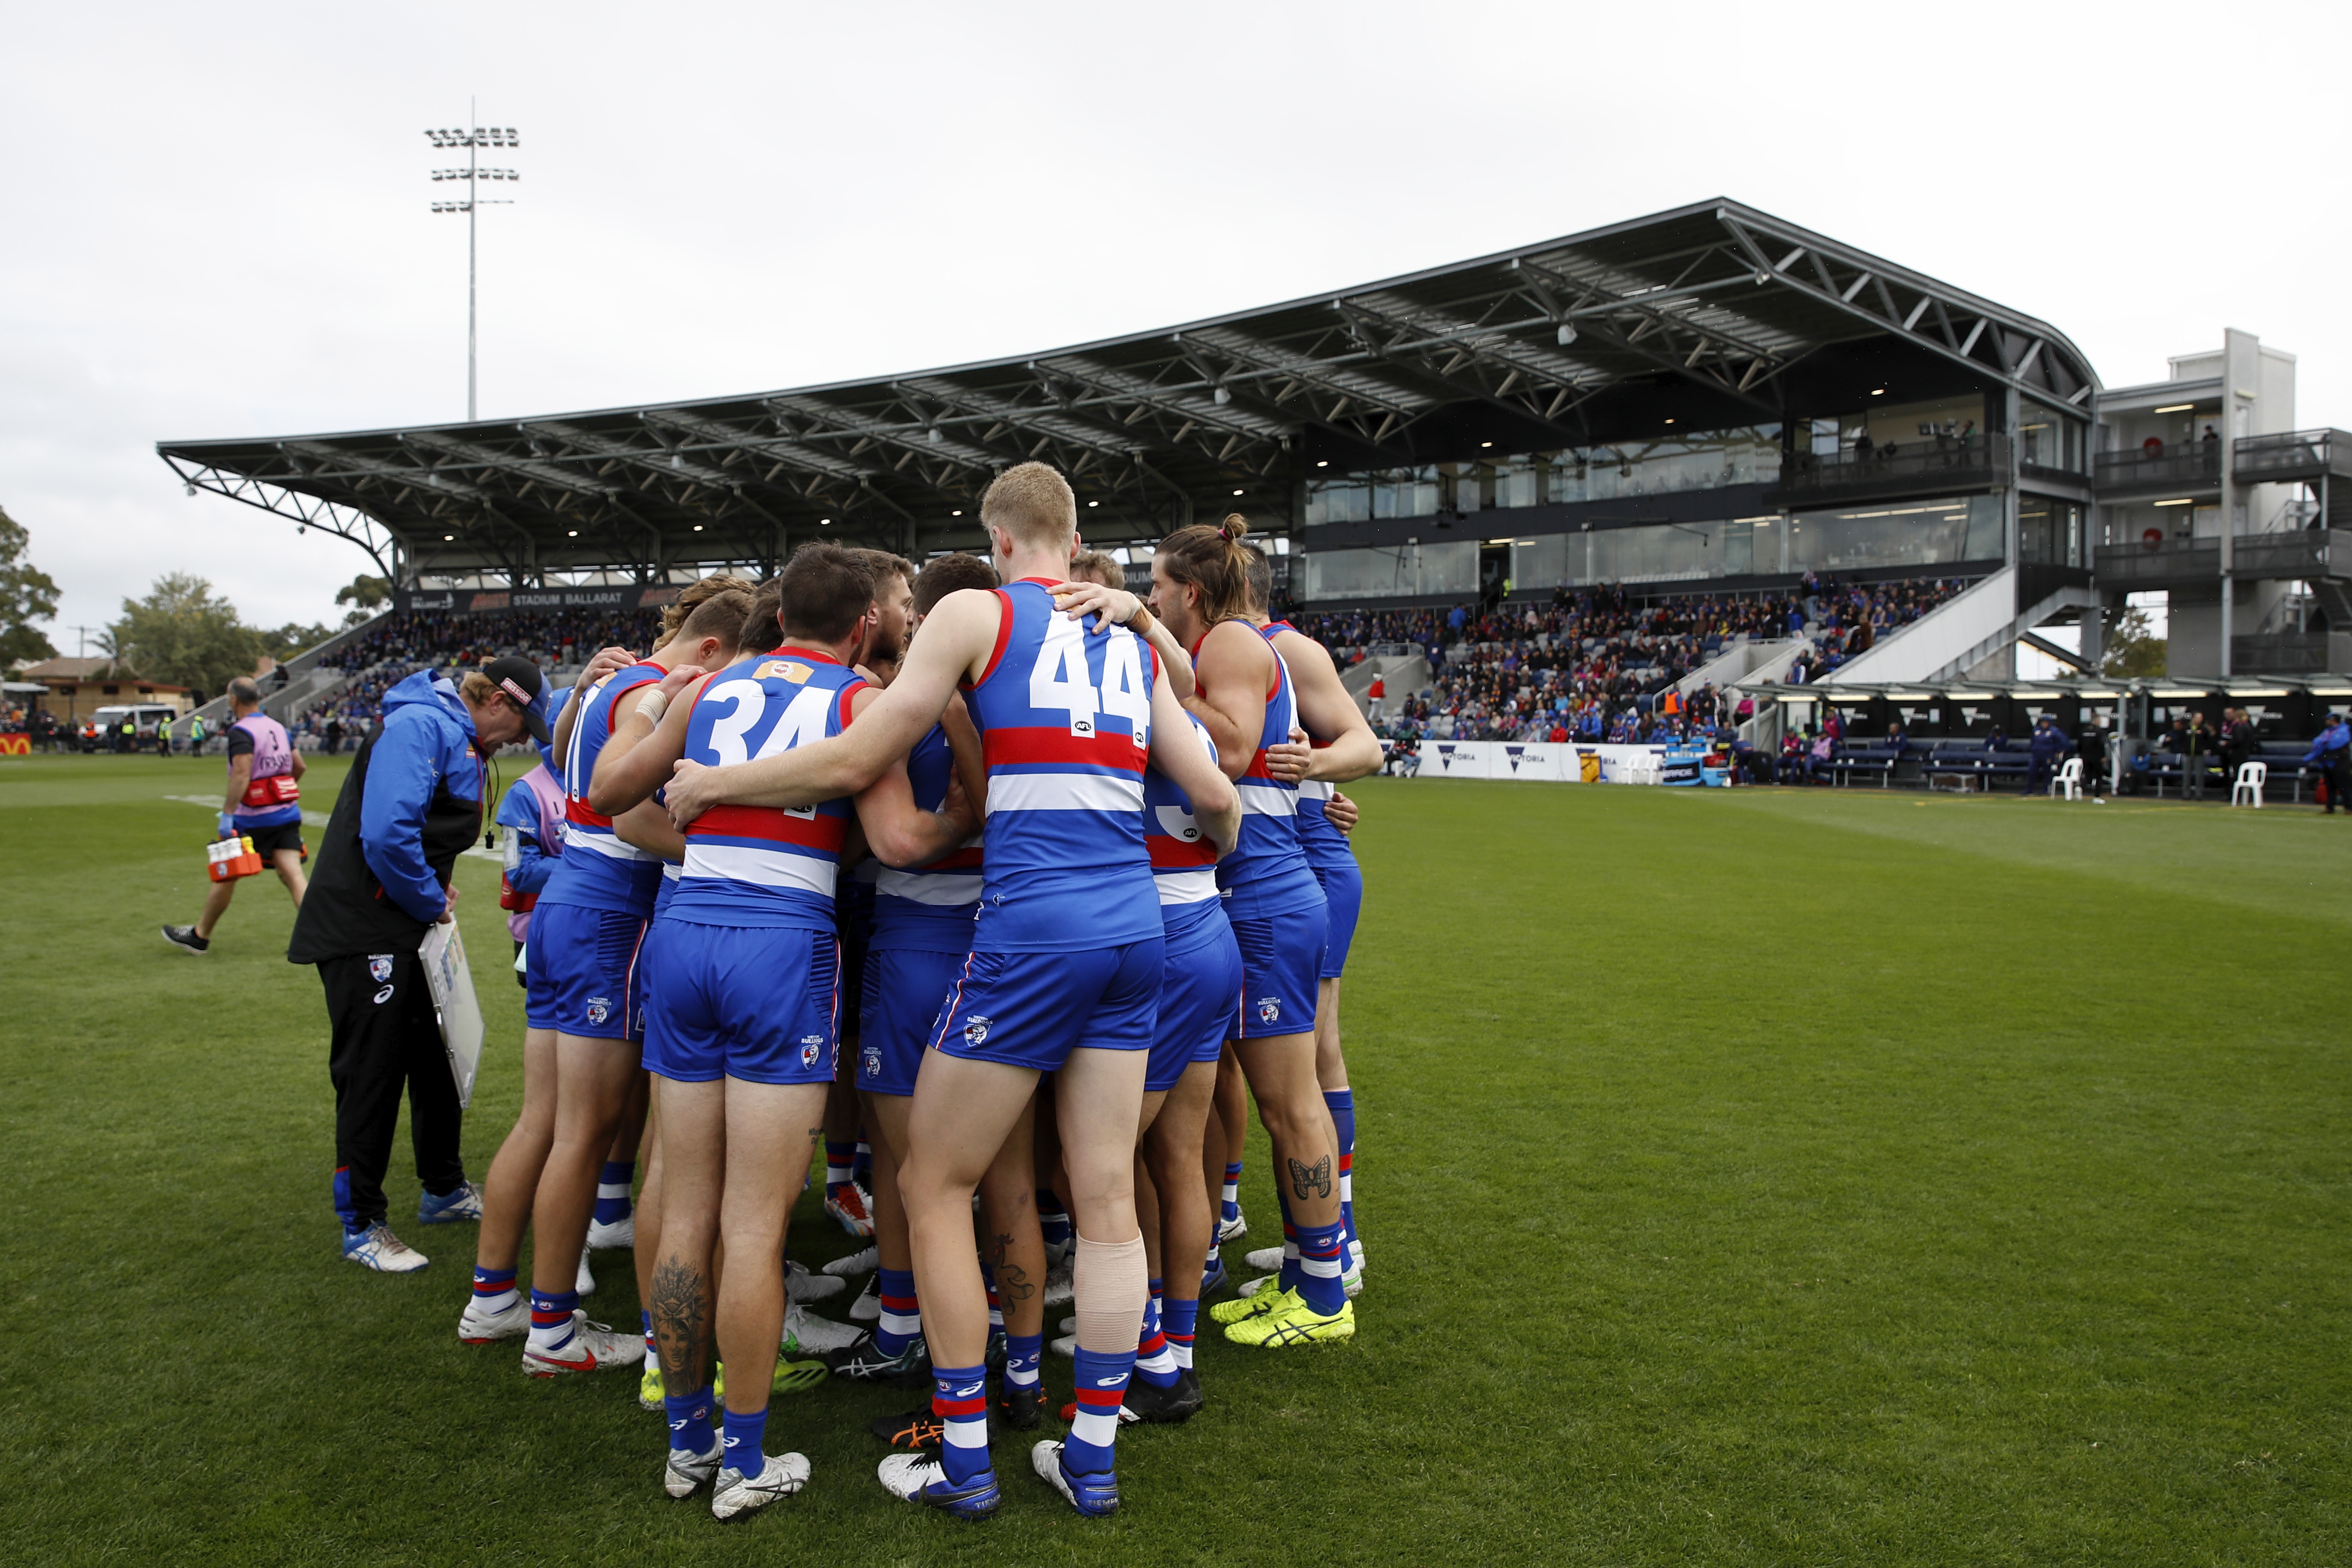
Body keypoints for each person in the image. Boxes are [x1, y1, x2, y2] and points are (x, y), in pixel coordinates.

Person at [660, 463, 1240, 1522]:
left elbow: (862, 754)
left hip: (1029, 937)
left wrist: (714, 784)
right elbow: (1212, 792)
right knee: (1106, 1195)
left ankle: (966, 1461)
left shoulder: (976, 610)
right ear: (1073, 536)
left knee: (931, 1180)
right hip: (1139, 929)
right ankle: (1092, 1458)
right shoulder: (1120, 631)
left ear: (1002, 536)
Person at [1141, 521, 1353, 1351]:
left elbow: (1225, 749)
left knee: (1287, 1101)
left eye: (1156, 588)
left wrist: (1150, 653)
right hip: (1247, 897)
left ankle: (1326, 1294)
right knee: (1265, 1098)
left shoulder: (1228, 641)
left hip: (1261, 900)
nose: (1148, 600)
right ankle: (1307, 1273)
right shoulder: (1224, 647)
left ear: (1187, 593)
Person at [284, 655, 548, 1272]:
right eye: (521, 725)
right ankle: (362, 1223)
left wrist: (434, 891)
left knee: (438, 1056)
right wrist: (430, 897)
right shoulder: (419, 727)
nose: (519, 741)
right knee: (372, 1072)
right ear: (499, 705)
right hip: (363, 927)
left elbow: (421, 836)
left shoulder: (459, 739)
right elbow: (386, 836)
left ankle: (443, 1187)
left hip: (405, 924)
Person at [163, 677, 309, 955]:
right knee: (293, 873)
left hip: (252, 817)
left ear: (233, 700)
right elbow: (299, 765)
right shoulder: (278, 727)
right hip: (286, 813)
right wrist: (280, 791)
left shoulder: (241, 731)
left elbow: (242, 774)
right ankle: (318, 934)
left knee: (227, 874)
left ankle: (200, 936)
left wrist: (228, 814)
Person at [2304, 712, 2351, 813]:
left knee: (2344, 786)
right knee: (2330, 786)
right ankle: (2330, 807)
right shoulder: (2327, 732)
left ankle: (2349, 808)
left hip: (2340, 762)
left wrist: (2324, 742)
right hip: (2327, 762)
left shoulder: (2344, 730)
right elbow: (2317, 742)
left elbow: (2334, 744)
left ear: (2333, 720)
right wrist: (2324, 742)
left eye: (2328, 719)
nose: (2327, 722)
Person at [2028, 715, 2069, 796]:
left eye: (2046, 722)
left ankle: (2045, 790)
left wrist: (2058, 751)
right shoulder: (2037, 730)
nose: (2044, 724)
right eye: (2043, 722)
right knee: (2032, 771)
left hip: (2048, 755)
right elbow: (2032, 741)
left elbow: (2064, 742)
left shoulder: (2055, 731)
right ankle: (2029, 790)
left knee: (2047, 773)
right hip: (2036, 755)